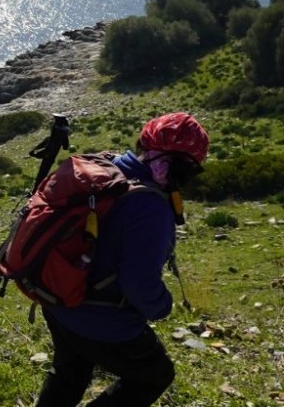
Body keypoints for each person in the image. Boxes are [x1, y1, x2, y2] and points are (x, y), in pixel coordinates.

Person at [35, 112, 208, 407]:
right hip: (100, 317)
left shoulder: (107, 167)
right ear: (182, 166)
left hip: (57, 297)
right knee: (154, 375)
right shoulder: (150, 207)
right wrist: (162, 306)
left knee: (70, 371)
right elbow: (139, 283)